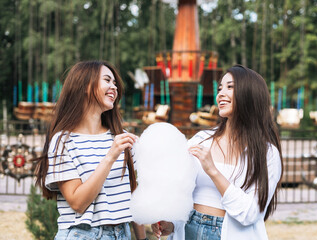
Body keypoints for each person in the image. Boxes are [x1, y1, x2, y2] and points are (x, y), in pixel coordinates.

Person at [151, 64, 283, 240]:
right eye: (220, 88)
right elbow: (182, 192)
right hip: (190, 229)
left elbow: (250, 213)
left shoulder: (267, 153)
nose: (220, 93)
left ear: (250, 95)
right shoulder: (201, 139)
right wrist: (172, 223)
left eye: (230, 87)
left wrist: (213, 170)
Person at [34, 60, 147, 240]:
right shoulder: (63, 141)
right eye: (107, 80)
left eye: (115, 83)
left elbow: (132, 193)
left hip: (122, 233)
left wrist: (143, 239)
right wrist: (110, 156)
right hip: (83, 234)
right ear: (85, 86)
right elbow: (78, 203)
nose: (114, 87)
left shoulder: (121, 137)